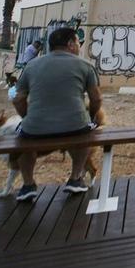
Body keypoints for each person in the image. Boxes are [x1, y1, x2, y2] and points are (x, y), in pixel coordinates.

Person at [10, 26, 102, 201]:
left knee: (22, 140)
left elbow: (16, 97)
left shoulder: (31, 66)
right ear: (70, 44)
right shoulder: (85, 66)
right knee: (86, 135)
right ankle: (75, 178)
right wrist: (91, 117)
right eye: (78, 42)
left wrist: (27, 118)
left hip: (34, 129)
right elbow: (96, 99)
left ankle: (28, 183)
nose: (79, 46)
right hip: (75, 126)